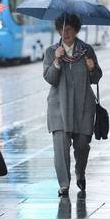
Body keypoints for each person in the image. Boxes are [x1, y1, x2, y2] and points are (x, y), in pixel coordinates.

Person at [43, 14, 102, 196]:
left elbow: (96, 78)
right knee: (60, 147)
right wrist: (56, 62)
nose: (65, 32)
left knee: (82, 145)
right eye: (62, 29)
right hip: (59, 106)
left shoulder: (86, 50)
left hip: (83, 105)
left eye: (69, 29)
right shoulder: (51, 51)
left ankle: (80, 172)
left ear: (76, 30)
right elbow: (50, 78)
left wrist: (92, 68)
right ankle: (64, 184)